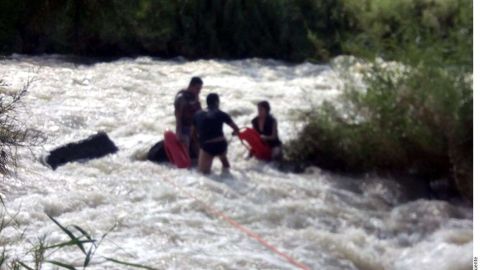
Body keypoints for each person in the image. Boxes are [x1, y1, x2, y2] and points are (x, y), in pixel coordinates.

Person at [193, 93, 240, 174]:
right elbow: (236, 129)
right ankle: (229, 175)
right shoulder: (221, 113)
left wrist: (198, 143)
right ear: (217, 102)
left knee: (202, 173)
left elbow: (193, 132)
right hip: (221, 144)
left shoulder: (198, 114)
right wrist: (234, 134)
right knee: (225, 165)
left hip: (207, 145)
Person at [174, 77, 203, 159]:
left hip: (194, 127)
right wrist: (178, 131)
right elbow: (178, 115)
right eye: (197, 88)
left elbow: (199, 110)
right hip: (184, 128)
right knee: (186, 147)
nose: (199, 91)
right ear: (191, 86)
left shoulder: (195, 95)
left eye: (200, 89)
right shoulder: (181, 97)